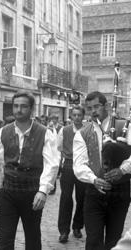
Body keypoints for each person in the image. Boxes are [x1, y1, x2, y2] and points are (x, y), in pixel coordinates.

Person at [0, 91, 58, 250]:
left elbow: (52, 164)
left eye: (23, 106)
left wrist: (43, 191)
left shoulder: (45, 133)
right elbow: (0, 163)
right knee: (5, 238)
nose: (18, 110)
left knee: (32, 236)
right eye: (15, 106)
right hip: (9, 192)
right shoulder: (3, 132)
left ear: (31, 110)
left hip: (32, 191)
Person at [73, 91, 131, 250]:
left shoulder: (125, 126)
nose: (93, 111)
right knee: (93, 241)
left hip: (120, 191)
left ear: (105, 106)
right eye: (89, 107)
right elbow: (79, 164)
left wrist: (123, 170)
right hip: (94, 192)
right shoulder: (82, 133)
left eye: (96, 106)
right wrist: (93, 179)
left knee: (113, 240)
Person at [57, 105, 86, 243]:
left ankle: (77, 227)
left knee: (82, 198)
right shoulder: (64, 130)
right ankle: (63, 231)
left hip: (83, 166)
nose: (76, 117)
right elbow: (59, 148)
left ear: (83, 116)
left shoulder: (88, 130)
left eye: (79, 115)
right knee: (66, 198)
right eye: (74, 115)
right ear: (71, 116)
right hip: (68, 165)